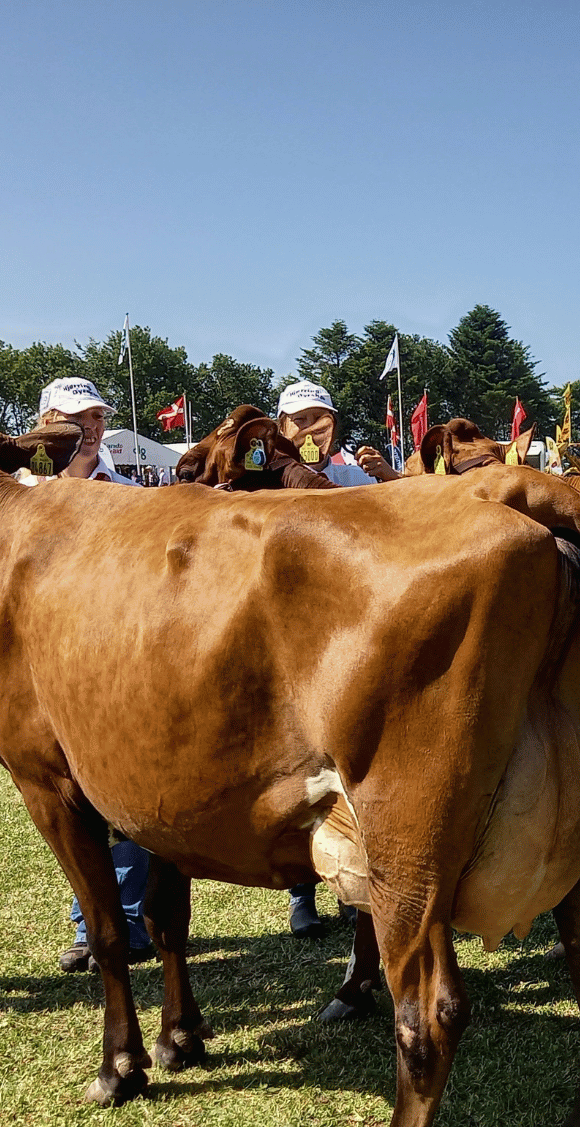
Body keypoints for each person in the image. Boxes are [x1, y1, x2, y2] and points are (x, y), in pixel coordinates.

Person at [17, 378, 153, 971]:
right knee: (69, 797)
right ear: (47, 422)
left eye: (96, 418)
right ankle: (91, 920)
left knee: (124, 790)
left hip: (116, 659)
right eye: (77, 419)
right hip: (48, 668)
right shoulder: (23, 495)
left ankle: (129, 920)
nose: (90, 428)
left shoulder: (126, 493)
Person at [265, 381, 396, 937]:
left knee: (345, 759)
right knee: (292, 763)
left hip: (344, 633)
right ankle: (301, 895)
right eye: (301, 420)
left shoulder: (348, 477)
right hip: (281, 634)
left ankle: (349, 886)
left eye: (322, 419)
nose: (313, 429)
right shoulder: (262, 479)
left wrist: (387, 477)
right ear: (282, 426)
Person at [272, 381, 395, 488]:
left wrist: (393, 479)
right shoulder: (270, 483)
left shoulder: (359, 479)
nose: (311, 427)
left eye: (319, 418)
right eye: (300, 419)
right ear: (282, 428)